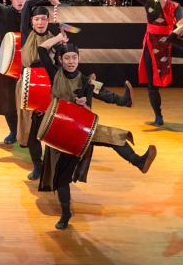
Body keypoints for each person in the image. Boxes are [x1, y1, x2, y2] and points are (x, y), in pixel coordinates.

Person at [36, 32, 156, 229]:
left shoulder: (84, 80)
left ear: (79, 58)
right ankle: (65, 215)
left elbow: (99, 96)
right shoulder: (55, 74)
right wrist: (58, 38)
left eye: (74, 57)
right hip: (58, 132)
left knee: (113, 135)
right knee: (60, 180)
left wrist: (86, 104)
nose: (71, 61)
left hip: (79, 131)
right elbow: (42, 49)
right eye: (67, 58)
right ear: (60, 59)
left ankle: (138, 160)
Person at [0, 0, 52, 147]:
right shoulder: (2, 11)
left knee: (28, 100)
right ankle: (13, 131)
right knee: (7, 101)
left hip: (28, 64)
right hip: (6, 64)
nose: (20, 0)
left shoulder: (32, 15)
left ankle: (30, 133)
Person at [125, 0, 183, 126]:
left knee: (160, 79)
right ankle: (158, 115)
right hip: (151, 45)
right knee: (152, 83)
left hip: (166, 44)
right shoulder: (149, 2)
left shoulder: (175, 6)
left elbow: (180, 24)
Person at [16, 0, 61, 180]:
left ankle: (52, 166)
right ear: (31, 22)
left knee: (50, 129)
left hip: (49, 88)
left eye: (44, 19)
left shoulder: (55, 39)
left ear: (48, 21)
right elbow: (27, 5)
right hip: (28, 87)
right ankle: (37, 166)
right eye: (37, 19)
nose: (40, 22)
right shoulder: (26, 34)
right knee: (32, 131)